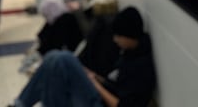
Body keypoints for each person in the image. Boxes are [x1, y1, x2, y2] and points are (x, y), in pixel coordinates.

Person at [13, 7, 157, 107]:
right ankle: (19, 104)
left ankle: (20, 104)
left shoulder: (141, 68)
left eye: (119, 36)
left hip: (101, 102)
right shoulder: (129, 53)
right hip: (99, 94)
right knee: (54, 61)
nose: (115, 40)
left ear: (129, 36)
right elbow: (115, 84)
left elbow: (120, 104)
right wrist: (96, 78)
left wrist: (96, 86)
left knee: (64, 59)